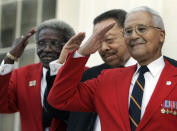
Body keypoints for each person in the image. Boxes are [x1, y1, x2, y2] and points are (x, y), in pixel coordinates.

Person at [48, 6, 177, 131]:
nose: (133, 36)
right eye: (128, 31)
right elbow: (60, 99)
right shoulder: (107, 78)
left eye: (142, 29)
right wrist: (81, 54)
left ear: (161, 35)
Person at [0, 19, 81, 131]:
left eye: (55, 43)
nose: (47, 49)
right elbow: (2, 106)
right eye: (41, 43)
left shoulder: (84, 74)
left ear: (70, 46)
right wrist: (10, 57)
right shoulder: (22, 75)